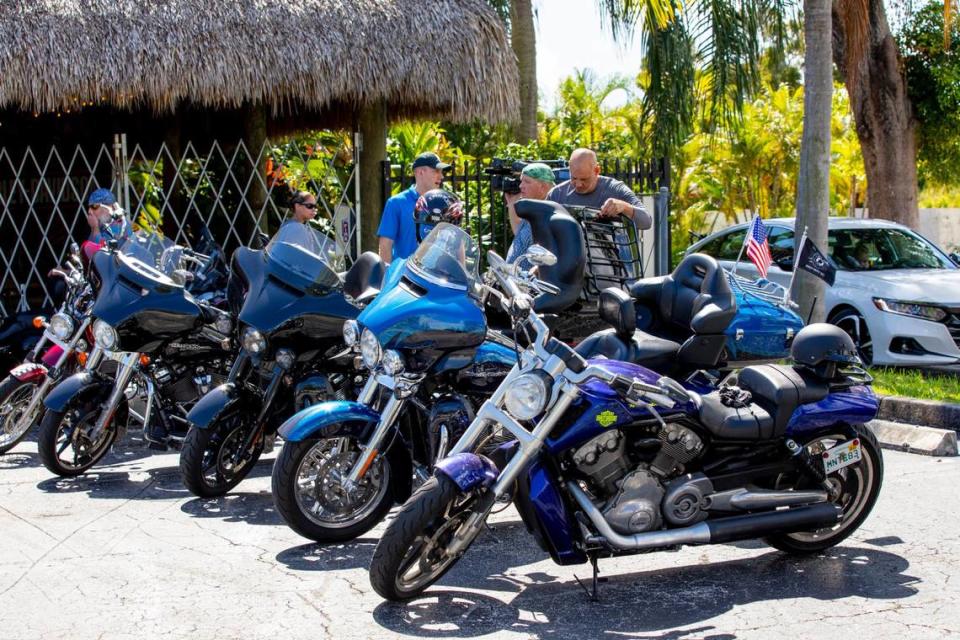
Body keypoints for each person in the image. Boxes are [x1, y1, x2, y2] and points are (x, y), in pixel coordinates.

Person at [548, 148, 651, 228]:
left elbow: (646, 221)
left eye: (584, 179)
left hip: (609, 253)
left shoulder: (615, 189)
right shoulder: (557, 194)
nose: (578, 184)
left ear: (597, 170)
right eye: (574, 178)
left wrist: (624, 207)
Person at [378, 152, 449, 264]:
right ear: (421, 172)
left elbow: (456, 245)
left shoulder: (445, 204)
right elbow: (385, 245)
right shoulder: (396, 203)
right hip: (405, 278)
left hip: (437, 279)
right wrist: (386, 278)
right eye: (436, 171)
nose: (441, 176)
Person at [504, 163, 556, 268]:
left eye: (527, 182)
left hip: (530, 282)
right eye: (521, 181)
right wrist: (511, 205)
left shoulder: (548, 214)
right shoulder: (533, 209)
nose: (520, 186)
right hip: (514, 281)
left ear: (543, 186)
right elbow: (522, 239)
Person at [80, 188, 130, 261]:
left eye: (94, 206)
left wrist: (95, 229)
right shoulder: (103, 226)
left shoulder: (120, 226)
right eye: (89, 207)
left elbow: (102, 257)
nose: (89, 211)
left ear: (109, 207)